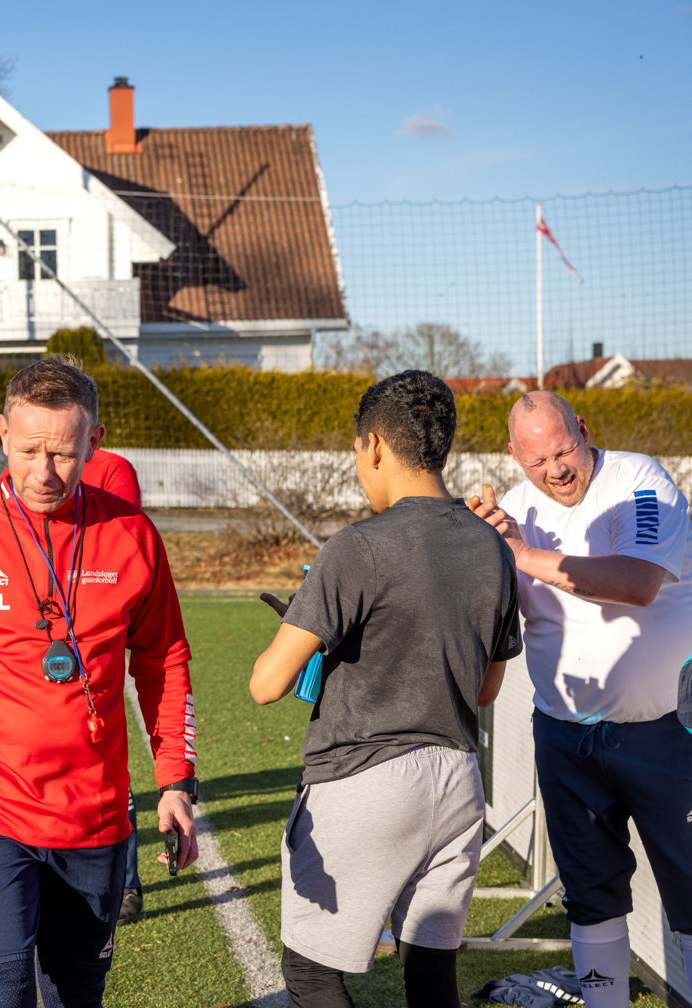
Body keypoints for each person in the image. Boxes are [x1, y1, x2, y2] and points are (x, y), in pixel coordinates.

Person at [0, 356, 198, 1008]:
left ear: (94, 443)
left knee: (75, 994)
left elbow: (163, 659)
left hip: (96, 817)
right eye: (28, 450)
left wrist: (175, 779)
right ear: (1, 434)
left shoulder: (131, 536)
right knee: (2, 991)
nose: (44, 473)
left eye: (64, 454)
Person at [251, 370, 522, 1008]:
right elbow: (485, 689)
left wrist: (307, 628)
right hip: (457, 783)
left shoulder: (355, 546)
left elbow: (267, 683)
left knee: (314, 975)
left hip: (363, 780)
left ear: (373, 446)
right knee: (431, 979)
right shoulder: (493, 548)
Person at [469, 390, 692, 1008]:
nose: (556, 469)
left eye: (564, 449)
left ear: (582, 429)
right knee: (590, 895)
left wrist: (523, 554)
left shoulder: (640, 478)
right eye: (537, 461)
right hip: (565, 734)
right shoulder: (513, 512)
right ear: (512, 457)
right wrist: (477, 549)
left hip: (668, 733)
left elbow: (636, 584)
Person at [79, 448, 148, 927]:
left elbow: (116, 546)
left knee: (108, 766)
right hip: (41, 639)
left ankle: (126, 885)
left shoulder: (112, 469)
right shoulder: (25, 463)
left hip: (95, 643)